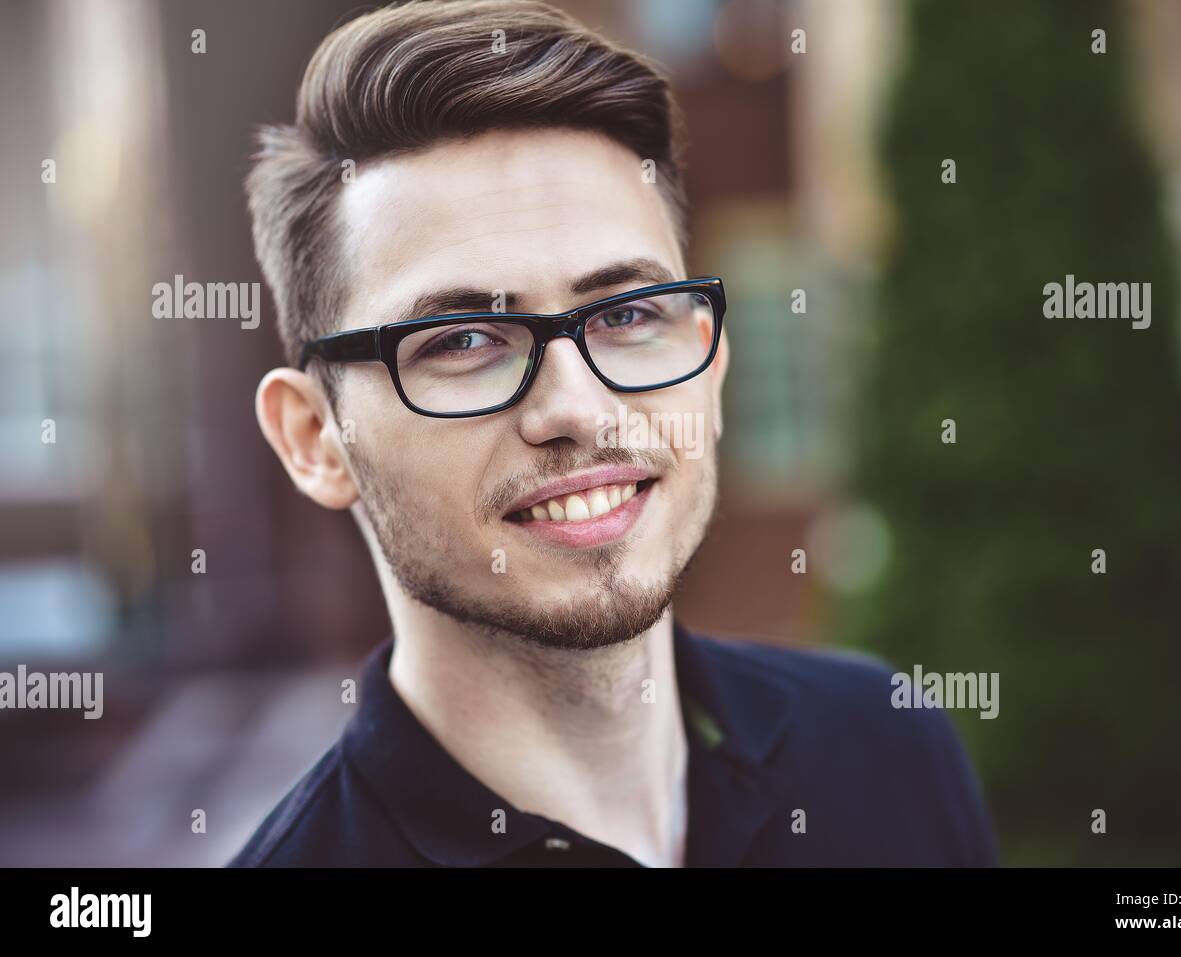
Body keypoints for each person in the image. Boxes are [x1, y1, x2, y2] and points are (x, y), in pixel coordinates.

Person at [228, 0, 997, 867]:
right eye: (462, 340)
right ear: (314, 438)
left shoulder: (887, 748)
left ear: (711, 359)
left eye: (628, 313)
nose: (579, 409)